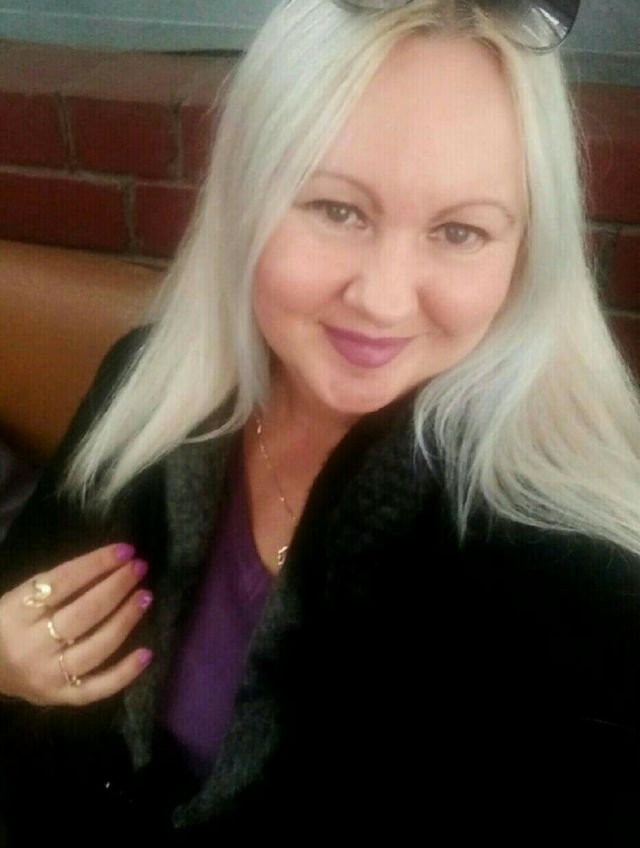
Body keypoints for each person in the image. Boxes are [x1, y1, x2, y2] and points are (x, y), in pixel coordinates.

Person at [1, 0, 639, 843]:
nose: (383, 298)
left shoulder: (571, 581)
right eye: (338, 210)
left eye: (460, 231)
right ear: (245, 199)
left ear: (526, 253)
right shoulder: (147, 389)